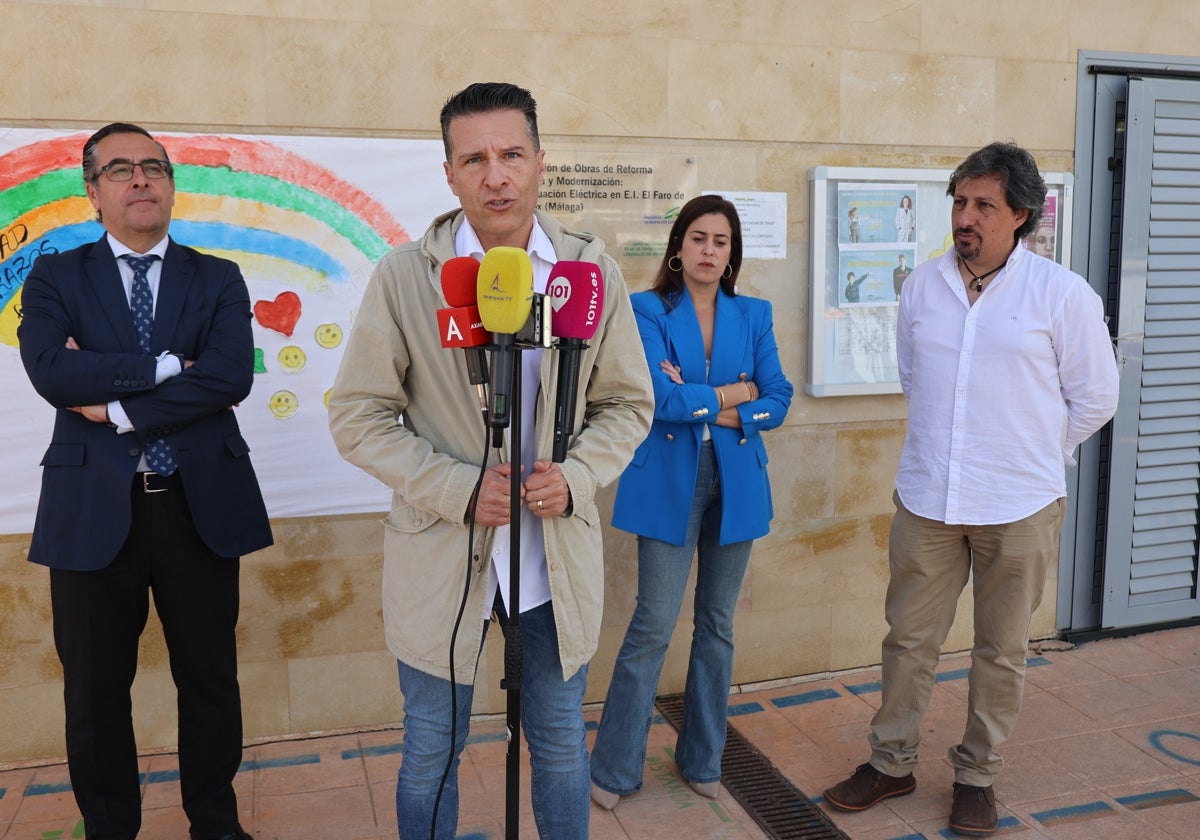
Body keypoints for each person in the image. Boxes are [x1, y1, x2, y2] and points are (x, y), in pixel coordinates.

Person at [326, 82, 653, 840]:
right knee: (432, 748)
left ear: (540, 163)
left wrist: (572, 479)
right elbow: (357, 415)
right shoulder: (407, 276)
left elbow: (627, 405)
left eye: (511, 154)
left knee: (563, 745)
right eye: (474, 158)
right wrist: (459, 489)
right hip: (443, 556)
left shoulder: (589, 270)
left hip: (552, 558)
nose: (495, 175)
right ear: (449, 174)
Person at [823, 142, 1118, 837]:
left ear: (1020, 214)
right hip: (928, 498)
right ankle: (890, 761)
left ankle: (976, 776)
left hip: (1020, 504)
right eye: (959, 202)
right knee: (908, 641)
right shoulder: (923, 284)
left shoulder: (1061, 294)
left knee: (1001, 648)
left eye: (983, 205)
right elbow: (913, 377)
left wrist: (1034, 452)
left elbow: (1095, 398)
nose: (966, 216)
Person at [17, 122, 271, 840]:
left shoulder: (216, 276)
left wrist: (115, 406)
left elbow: (228, 376)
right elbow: (50, 371)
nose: (141, 179)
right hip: (92, 510)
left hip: (198, 508)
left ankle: (216, 824)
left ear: (170, 181)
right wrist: (165, 370)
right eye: (121, 168)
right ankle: (109, 830)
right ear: (92, 190)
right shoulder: (54, 277)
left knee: (211, 682)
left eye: (154, 166)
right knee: (95, 695)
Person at [589, 194, 793, 809]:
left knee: (717, 626)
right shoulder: (646, 310)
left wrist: (715, 402)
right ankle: (615, 769)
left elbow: (778, 398)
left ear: (732, 253)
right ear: (679, 247)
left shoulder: (754, 314)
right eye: (699, 238)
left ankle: (703, 758)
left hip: (737, 484)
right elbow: (660, 400)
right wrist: (736, 393)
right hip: (668, 482)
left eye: (721, 241)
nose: (709, 250)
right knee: (651, 625)